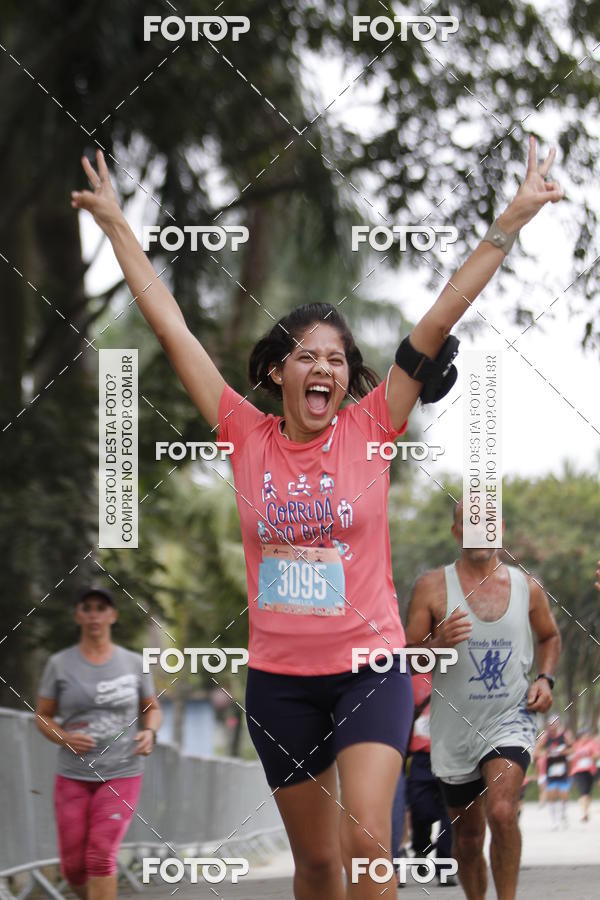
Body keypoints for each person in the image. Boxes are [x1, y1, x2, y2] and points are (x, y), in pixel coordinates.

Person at [70, 136, 562, 898]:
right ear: (277, 370)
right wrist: (116, 227)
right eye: (306, 356)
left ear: (347, 374)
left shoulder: (372, 427)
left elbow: (440, 315)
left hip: (370, 670)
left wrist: (514, 218)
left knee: (367, 842)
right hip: (278, 682)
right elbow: (170, 328)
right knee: (319, 866)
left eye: (336, 358)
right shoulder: (244, 434)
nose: (324, 368)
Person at [405, 501, 561, 900]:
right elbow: (407, 656)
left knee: (503, 811)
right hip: (454, 727)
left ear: (501, 529)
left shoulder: (527, 586)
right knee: (469, 836)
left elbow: (549, 636)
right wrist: (437, 643)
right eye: (470, 524)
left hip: (510, 716)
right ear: (457, 533)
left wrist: (545, 678)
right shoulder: (432, 587)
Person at [34, 587, 161, 900]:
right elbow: (43, 716)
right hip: (73, 775)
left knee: (101, 854)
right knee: (74, 867)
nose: (94, 615)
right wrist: (63, 737)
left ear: (113, 616)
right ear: (78, 615)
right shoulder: (60, 664)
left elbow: (152, 708)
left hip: (122, 770)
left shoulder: (133, 663)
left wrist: (150, 732)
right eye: (87, 608)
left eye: (101, 608)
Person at [403, 672, 456, 888]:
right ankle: (421, 849)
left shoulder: (458, 676)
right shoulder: (411, 678)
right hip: (421, 759)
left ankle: (445, 866)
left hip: (451, 756)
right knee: (419, 810)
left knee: (450, 813)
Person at [536, 716, 573, 829]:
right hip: (550, 770)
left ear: (558, 724)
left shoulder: (565, 736)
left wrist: (562, 752)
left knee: (563, 795)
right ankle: (554, 821)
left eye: (554, 724)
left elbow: (572, 750)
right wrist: (546, 753)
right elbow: (536, 752)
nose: (552, 726)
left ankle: (563, 814)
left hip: (563, 769)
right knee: (552, 794)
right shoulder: (545, 737)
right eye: (550, 724)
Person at [569, 728, 599, 822]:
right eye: (584, 735)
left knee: (588, 792)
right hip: (578, 771)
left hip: (590, 770)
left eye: (588, 735)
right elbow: (571, 757)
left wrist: (590, 756)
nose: (586, 737)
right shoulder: (576, 745)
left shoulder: (592, 744)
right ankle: (584, 813)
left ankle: (586, 810)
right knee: (584, 792)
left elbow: (597, 754)